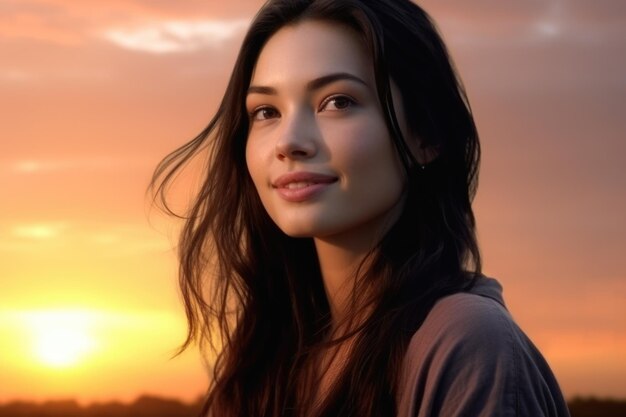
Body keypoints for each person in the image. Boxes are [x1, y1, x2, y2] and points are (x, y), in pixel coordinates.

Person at [151, 0, 571, 416]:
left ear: (426, 134)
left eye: (338, 102)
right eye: (266, 111)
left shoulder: (466, 343)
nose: (288, 142)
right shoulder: (263, 363)